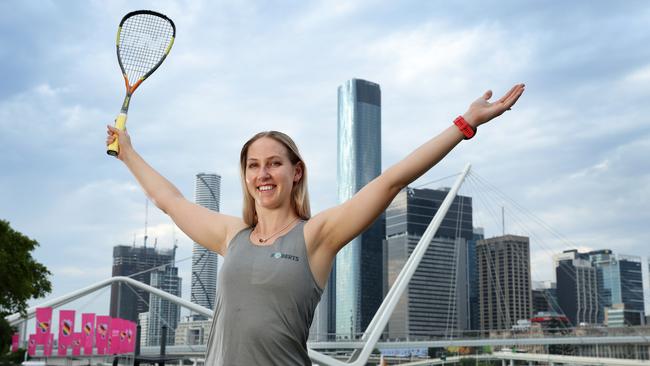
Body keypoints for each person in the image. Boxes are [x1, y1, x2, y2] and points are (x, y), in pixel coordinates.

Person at [106, 83, 525, 365]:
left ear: (296, 172)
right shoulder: (230, 235)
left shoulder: (316, 236)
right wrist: (128, 154)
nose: (263, 173)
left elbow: (390, 180)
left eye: (274, 163)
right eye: (253, 166)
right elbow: (171, 201)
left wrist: (464, 125)